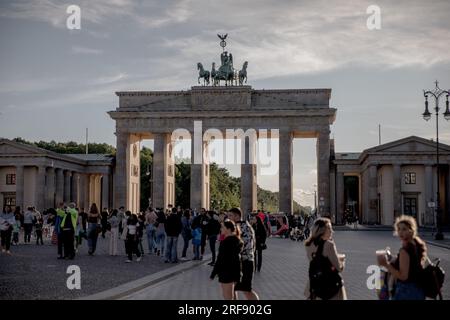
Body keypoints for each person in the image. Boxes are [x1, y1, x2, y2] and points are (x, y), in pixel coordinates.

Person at [378, 215, 427, 300]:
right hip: (418, 290)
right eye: (399, 229)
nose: (400, 232)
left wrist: (386, 264)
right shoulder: (416, 244)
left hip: (406, 291)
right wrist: (394, 259)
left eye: (404, 229)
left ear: (411, 230)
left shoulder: (405, 250)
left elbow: (403, 276)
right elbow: (411, 265)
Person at [304, 217, 347, 300]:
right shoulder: (329, 245)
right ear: (322, 231)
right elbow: (338, 268)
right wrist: (342, 260)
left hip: (315, 286)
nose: (332, 231)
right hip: (331, 287)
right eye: (329, 229)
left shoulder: (308, 245)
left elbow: (318, 261)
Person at [227, 207, 259, 300]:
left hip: (244, 262)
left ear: (237, 216)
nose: (228, 218)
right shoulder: (245, 225)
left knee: (246, 290)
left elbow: (240, 246)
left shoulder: (241, 227)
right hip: (244, 261)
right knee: (233, 288)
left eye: (230, 215)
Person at [210, 220, 244, 300]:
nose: (220, 229)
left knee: (228, 297)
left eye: (222, 227)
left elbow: (220, 259)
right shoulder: (237, 240)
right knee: (233, 296)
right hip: (236, 271)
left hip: (226, 272)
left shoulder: (226, 242)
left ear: (228, 229)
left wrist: (213, 274)